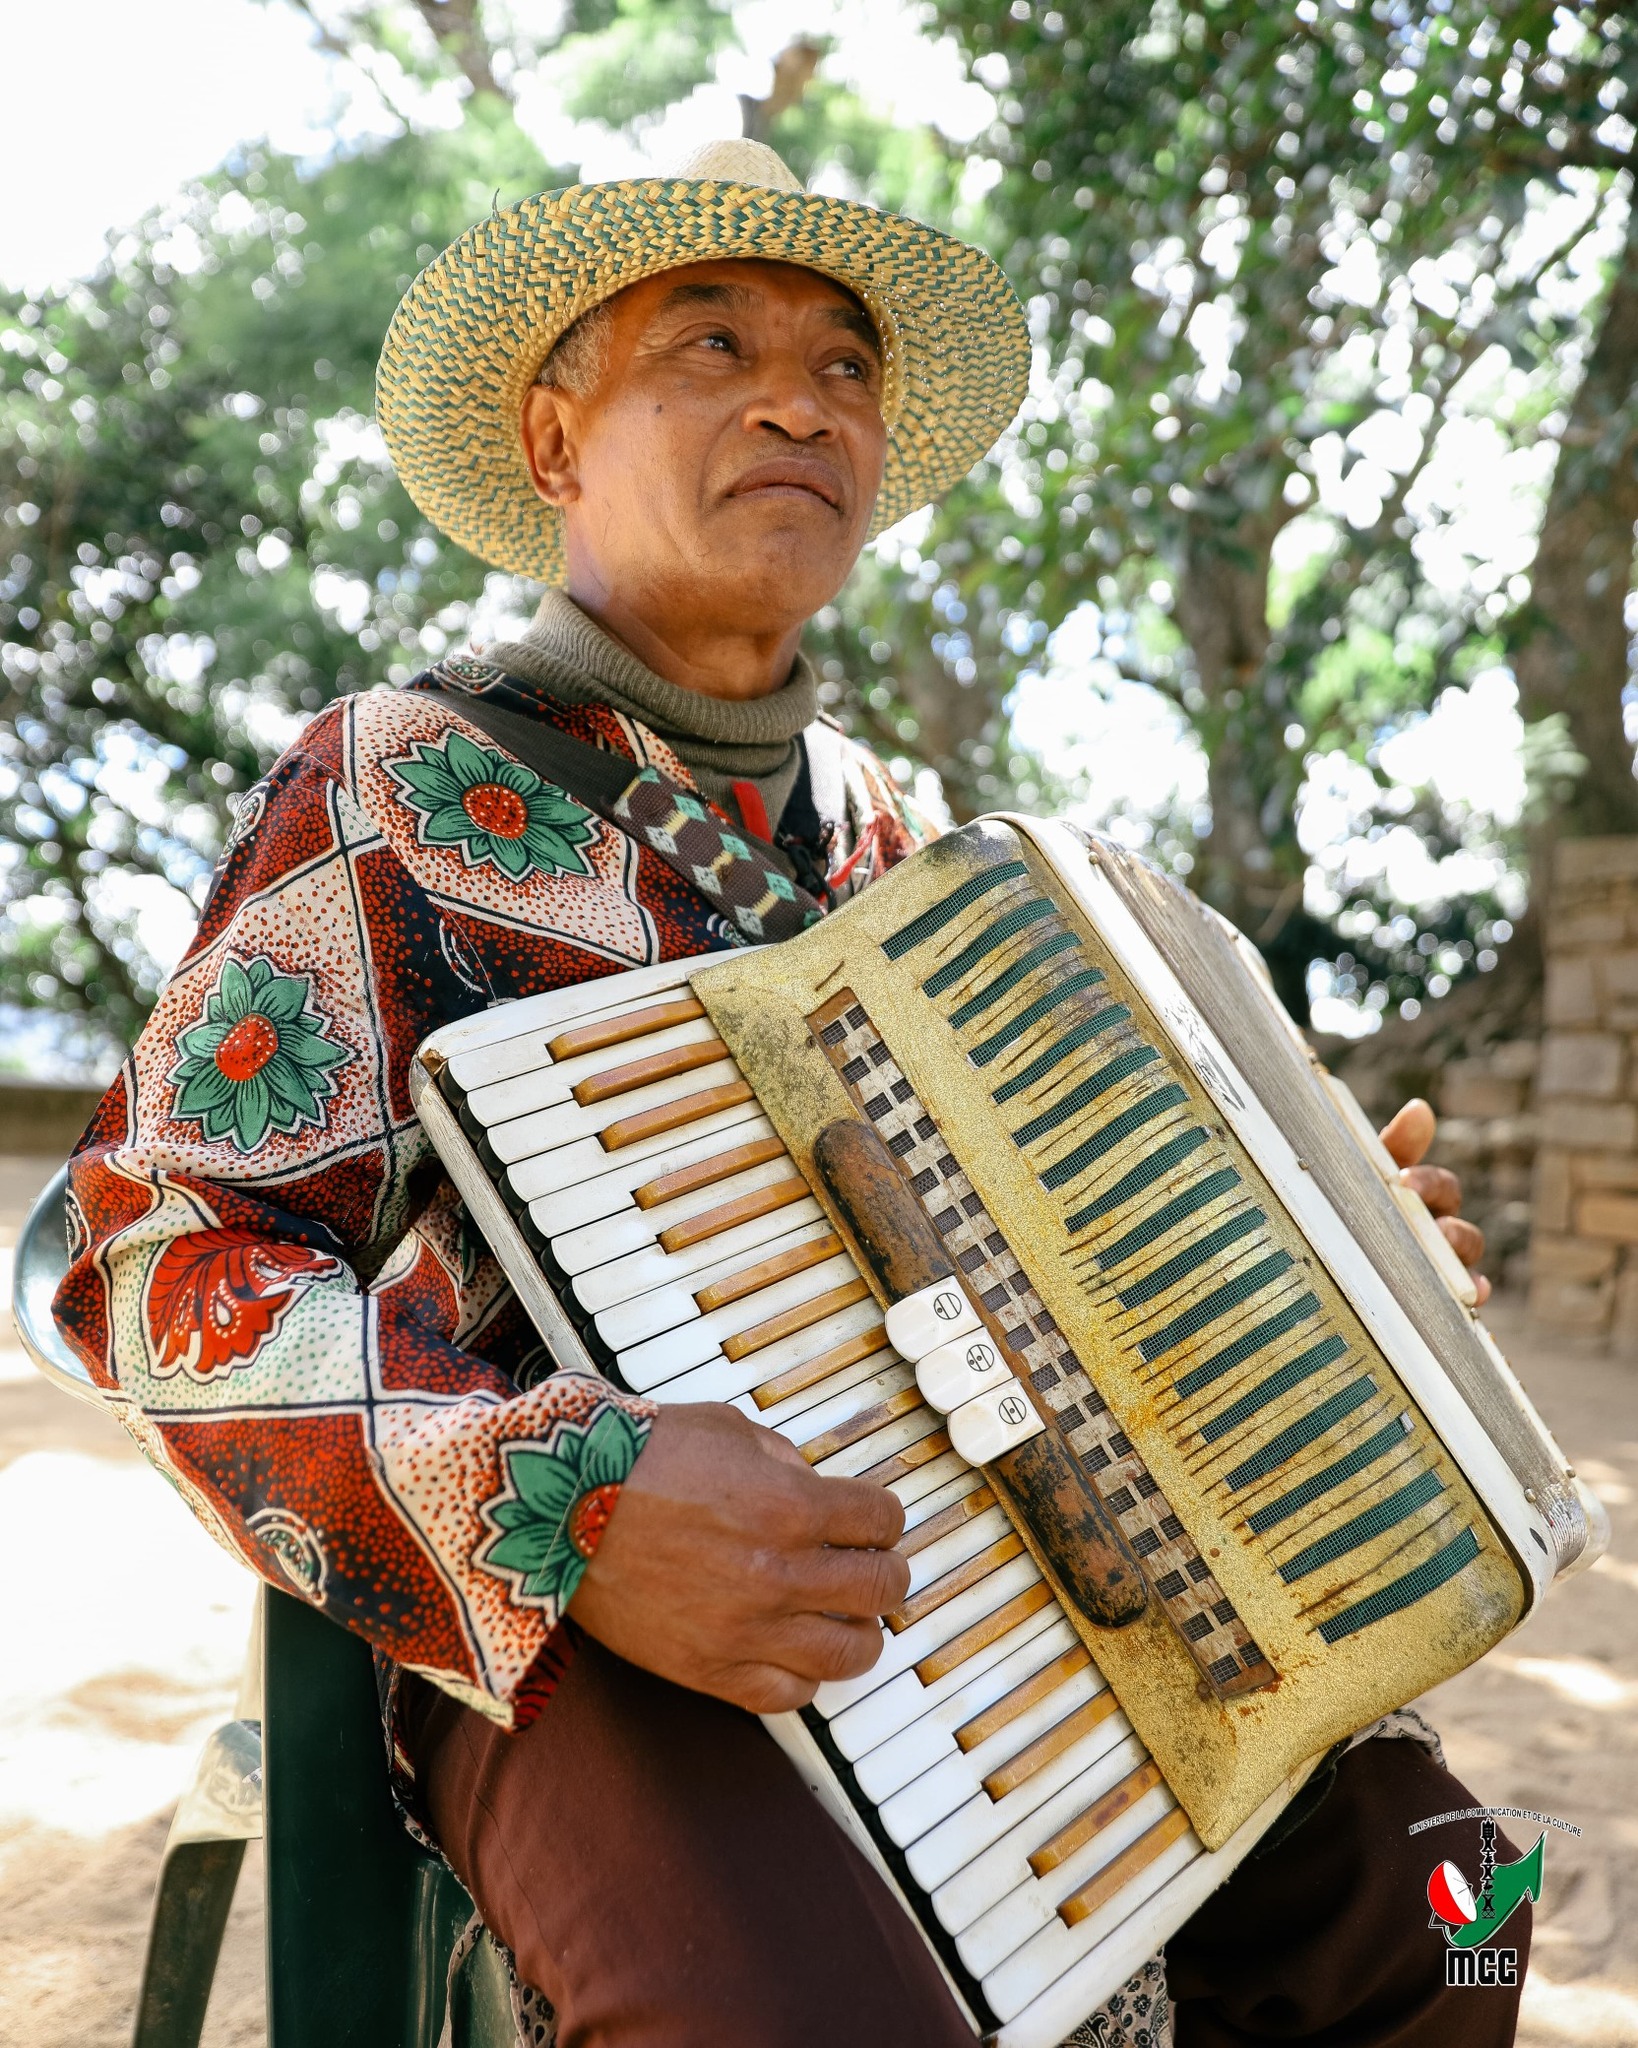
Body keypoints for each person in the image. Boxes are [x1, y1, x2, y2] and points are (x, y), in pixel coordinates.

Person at [54, 140, 1520, 2048]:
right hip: (593, 1640)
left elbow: (1050, 1274)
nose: (795, 397)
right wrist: (573, 1497)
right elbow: (150, 1268)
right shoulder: (389, 788)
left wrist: (1330, 1280)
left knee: (1466, 1904)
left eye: (844, 365)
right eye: (711, 341)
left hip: (1001, 1589)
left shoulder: (912, 852)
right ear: (557, 438)